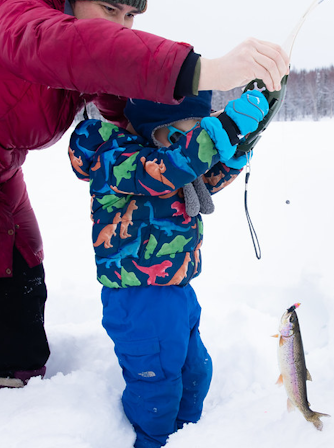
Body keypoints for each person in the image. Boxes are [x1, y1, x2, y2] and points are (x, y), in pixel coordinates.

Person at [0, 0, 288, 392]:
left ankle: (15, 398)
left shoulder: (87, 51)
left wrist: (230, 138)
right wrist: (202, 73)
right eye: (110, 8)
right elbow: (71, 47)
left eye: (131, 15)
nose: (120, 26)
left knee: (20, 281)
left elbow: (133, 104)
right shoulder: (0, 6)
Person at [68, 88, 268, 447]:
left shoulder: (174, 162)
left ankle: (187, 437)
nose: (191, 139)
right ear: (154, 124)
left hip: (177, 290)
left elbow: (202, 176)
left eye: (197, 130)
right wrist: (213, 134)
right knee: (156, 387)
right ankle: (153, 441)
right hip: (139, 299)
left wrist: (236, 149)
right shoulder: (116, 157)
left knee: (195, 372)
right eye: (185, 131)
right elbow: (165, 170)